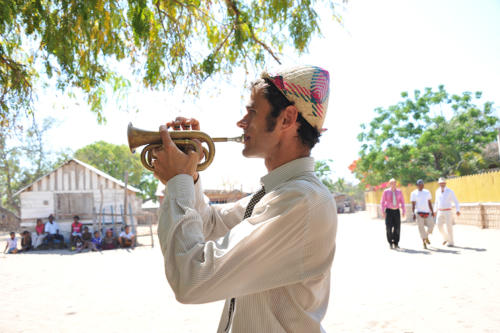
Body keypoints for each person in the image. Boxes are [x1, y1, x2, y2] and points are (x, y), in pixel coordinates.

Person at [153, 65, 337, 332]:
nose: (241, 122)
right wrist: (189, 179)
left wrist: (178, 180)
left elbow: (190, 279)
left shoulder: (302, 200)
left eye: (252, 111)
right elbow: (212, 225)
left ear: (287, 118)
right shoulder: (279, 193)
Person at [380, 178, 406, 249]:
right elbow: (382, 202)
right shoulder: (386, 191)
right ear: (389, 184)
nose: (393, 184)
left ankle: (396, 243)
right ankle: (390, 242)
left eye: (394, 183)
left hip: (396, 211)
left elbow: (402, 202)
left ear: (396, 184)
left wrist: (403, 211)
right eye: (392, 183)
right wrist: (383, 211)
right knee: (388, 228)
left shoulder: (399, 192)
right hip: (389, 211)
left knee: (397, 228)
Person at [435, 177, 460, 247]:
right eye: (440, 183)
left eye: (443, 183)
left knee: (449, 227)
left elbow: (456, 201)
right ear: (439, 184)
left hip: (448, 211)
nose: (442, 184)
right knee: (438, 225)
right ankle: (446, 238)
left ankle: (451, 242)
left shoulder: (450, 191)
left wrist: (458, 210)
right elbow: (436, 202)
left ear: (445, 183)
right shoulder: (437, 191)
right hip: (440, 211)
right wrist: (435, 210)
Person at [410, 179, 435, 249]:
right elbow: (413, 205)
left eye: (422, 185)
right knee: (421, 228)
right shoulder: (413, 193)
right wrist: (413, 214)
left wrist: (432, 211)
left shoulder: (427, 192)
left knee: (431, 226)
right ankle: (424, 242)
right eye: (419, 185)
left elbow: (429, 202)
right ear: (417, 186)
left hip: (427, 212)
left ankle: (426, 236)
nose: (421, 186)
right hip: (418, 213)